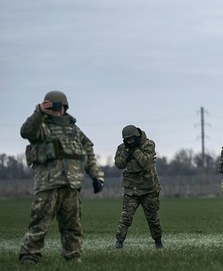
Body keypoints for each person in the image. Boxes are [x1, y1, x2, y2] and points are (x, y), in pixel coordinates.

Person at [18, 90, 105, 264]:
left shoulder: (75, 131)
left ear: (65, 107)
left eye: (59, 107)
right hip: (47, 185)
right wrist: (39, 112)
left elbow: (88, 153)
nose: (57, 111)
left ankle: (73, 257)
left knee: (73, 226)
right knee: (39, 224)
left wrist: (97, 176)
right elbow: (26, 132)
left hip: (71, 186)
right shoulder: (42, 127)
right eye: (52, 107)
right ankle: (29, 256)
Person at [113, 124, 163, 249]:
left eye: (131, 139)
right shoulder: (123, 148)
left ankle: (158, 241)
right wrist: (126, 151)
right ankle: (119, 242)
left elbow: (145, 163)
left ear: (136, 136)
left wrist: (135, 151)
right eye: (127, 140)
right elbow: (119, 164)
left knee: (153, 218)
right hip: (132, 189)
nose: (129, 142)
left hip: (149, 188)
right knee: (126, 217)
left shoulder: (148, 145)